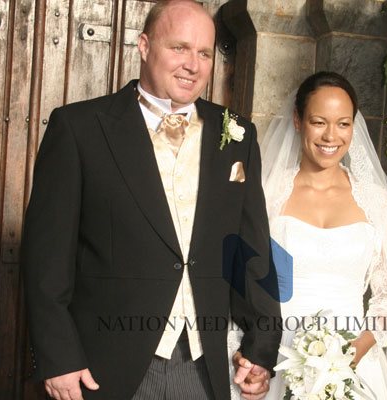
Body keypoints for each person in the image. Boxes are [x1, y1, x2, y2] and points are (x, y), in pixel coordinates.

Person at [22, 1, 281, 399]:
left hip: (202, 365)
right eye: (179, 48)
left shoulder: (237, 137)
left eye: (204, 53)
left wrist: (261, 347)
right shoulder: (79, 129)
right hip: (103, 364)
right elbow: (46, 259)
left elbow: (251, 252)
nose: (192, 65)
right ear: (144, 46)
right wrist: (59, 357)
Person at [229, 71, 387, 399]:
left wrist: (349, 354)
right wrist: (245, 353)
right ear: (298, 120)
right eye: (319, 121)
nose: (331, 136)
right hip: (274, 355)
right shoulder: (267, 192)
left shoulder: (376, 201)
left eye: (343, 124)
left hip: (354, 361)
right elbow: (239, 284)